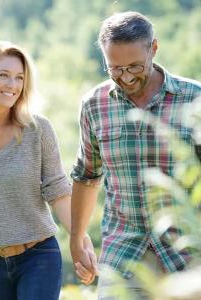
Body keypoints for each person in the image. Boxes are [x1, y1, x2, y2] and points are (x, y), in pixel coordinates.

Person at [0, 41, 97, 300]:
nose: (12, 85)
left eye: (19, 78)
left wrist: (81, 240)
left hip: (38, 258)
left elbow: (58, 191)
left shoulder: (38, 130)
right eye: (3, 75)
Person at [69, 11, 201, 299]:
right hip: (124, 250)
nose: (126, 77)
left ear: (153, 48)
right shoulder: (94, 105)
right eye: (115, 69)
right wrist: (77, 238)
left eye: (134, 66)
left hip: (187, 253)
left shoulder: (194, 98)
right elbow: (86, 175)